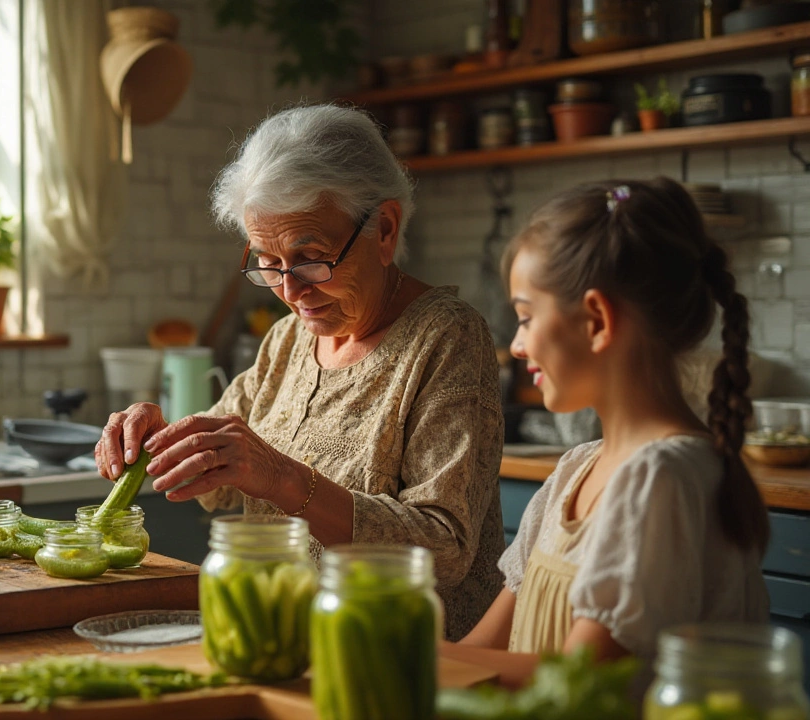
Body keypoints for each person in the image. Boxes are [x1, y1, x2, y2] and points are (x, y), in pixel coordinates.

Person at [96, 104, 506, 640]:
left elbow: (445, 550)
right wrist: (160, 435)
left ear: (384, 229)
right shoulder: (289, 339)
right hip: (287, 646)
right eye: (267, 261)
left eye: (310, 257)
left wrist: (282, 478)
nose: (289, 291)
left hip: (404, 664)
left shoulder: (447, 338)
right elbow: (218, 478)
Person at [447, 178, 770, 687]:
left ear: (596, 319)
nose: (516, 345)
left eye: (526, 317)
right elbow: (478, 653)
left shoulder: (661, 478)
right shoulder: (575, 471)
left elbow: (578, 680)